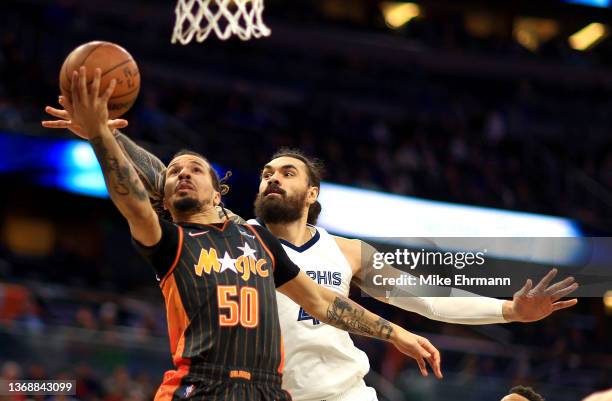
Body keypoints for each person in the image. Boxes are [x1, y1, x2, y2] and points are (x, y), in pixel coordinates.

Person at [43, 91, 578, 401]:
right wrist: (102, 134)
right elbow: (170, 180)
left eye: (287, 172)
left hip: (345, 394)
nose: (273, 178)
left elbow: (427, 299)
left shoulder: (346, 252)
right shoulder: (237, 233)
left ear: (311, 193)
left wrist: (508, 309)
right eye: (267, 172)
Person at [59, 66, 442, 401]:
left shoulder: (257, 240)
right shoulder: (170, 243)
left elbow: (323, 302)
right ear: (165, 194)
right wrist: (101, 136)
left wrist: (395, 334)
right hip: (199, 388)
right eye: (174, 173)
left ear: (217, 191)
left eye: (194, 169)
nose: (183, 175)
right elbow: (134, 201)